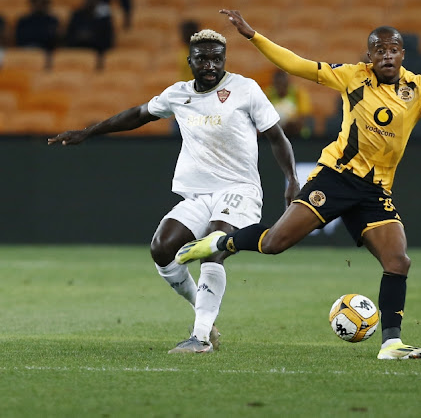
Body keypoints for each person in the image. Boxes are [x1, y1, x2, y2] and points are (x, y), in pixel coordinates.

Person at [175, 9, 421, 360]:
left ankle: (391, 344)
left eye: (394, 49)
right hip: (335, 178)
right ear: (369, 55)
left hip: (375, 192)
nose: (387, 55)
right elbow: (298, 65)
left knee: (398, 260)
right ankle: (219, 242)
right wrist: (254, 36)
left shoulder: (418, 88)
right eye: (379, 50)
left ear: (403, 54)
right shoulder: (352, 77)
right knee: (275, 243)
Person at [47, 29, 300, 354]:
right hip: (198, 195)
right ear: (190, 61)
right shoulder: (178, 94)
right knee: (162, 249)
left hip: (239, 189)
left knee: (213, 247)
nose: (210, 65)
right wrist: (87, 132)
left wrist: (292, 179)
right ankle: (202, 310)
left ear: (224, 59)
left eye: (217, 58)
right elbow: (137, 115)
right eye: (203, 59)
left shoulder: (245, 89)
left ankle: (201, 336)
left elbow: (277, 137)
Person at [64, 0, 115, 69]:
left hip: (97, 52)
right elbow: (68, 35)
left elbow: (108, 39)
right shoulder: (77, 15)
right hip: (77, 50)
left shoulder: (104, 18)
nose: (91, 0)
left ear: (98, 0)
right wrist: (80, 38)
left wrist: (91, 38)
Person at [14, 0, 60, 69]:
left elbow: (53, 40)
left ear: (47, 4)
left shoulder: (52, 20)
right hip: (25, 51)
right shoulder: (23, 20)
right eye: (36, 1)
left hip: (46, 53)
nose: (39, 4)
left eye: (43, 2)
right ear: (31, 3)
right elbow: (19, 39)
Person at [264, 68, 313, 138]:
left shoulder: (298, 93)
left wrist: (288, 125)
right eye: (278, 84)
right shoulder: (267, 95)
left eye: (283, 84)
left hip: (297, 134)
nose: (280, 87)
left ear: (288, 83)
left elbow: (303, 118)